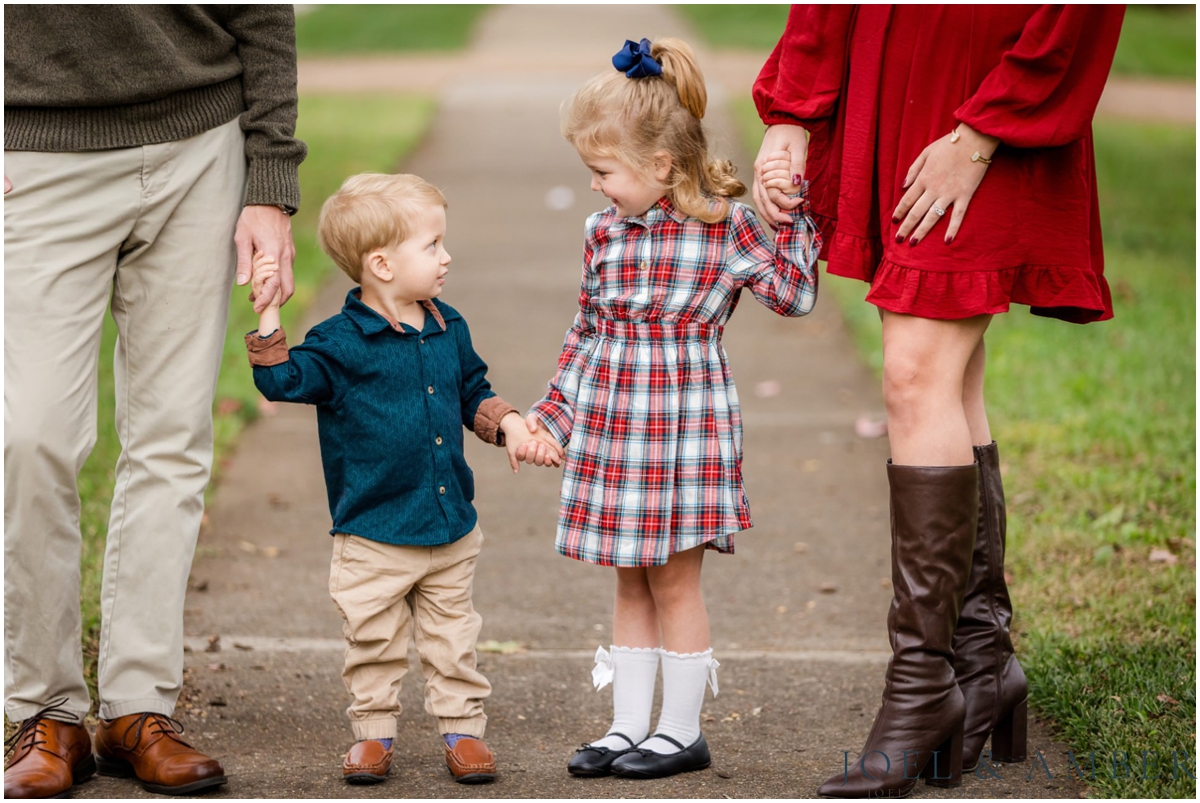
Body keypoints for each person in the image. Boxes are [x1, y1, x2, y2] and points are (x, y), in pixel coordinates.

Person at [751, 5, 1125, 797]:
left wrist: (983, 132)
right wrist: (792, 109)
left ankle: (924, 684)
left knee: (917, 372)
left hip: (990, 86)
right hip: (898, 78)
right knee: (949, 373)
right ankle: (982, 663)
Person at [3, 6, 306, 798]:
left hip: (199, 142)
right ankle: (44, 711)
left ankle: (139, 707)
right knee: (30, 439)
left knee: (171, 439)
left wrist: (269, 178)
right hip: (30, 149)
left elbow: (260, 9)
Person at [516, 38, 821, 780]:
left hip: (686, 433)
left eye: (602, 172)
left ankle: (680, 730)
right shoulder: (602, 235)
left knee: (675, 579)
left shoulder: (728, 226)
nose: (594, 188)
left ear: (660, 167)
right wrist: (553, 416)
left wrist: (794, 220)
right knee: (629, 574)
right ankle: (628, 726)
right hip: (617, 429)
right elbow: (585, 333)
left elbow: (795, 295)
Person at [245, 173, 554, 786]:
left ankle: (463, 729)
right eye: (432, 245)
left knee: (453, 641)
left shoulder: (448, 325)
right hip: (374, 533)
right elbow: (281, 381)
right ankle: (373, 735)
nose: (446, 257)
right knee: (374, 643)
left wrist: (513, 427)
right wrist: (268, 311)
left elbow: (473, 392)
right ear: (382, 264)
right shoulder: (338, 344)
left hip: (448, 526)